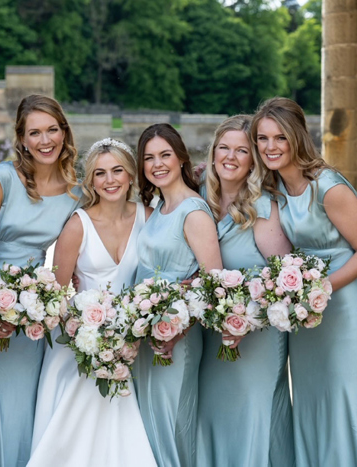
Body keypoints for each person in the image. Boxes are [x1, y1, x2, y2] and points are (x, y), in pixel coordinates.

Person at [251, 97, 357, 466]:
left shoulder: (328, 186)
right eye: (262, 139)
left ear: (297, 138)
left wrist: (320, 290)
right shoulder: (274, 188)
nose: (270, 147)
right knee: (310, 401)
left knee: (344, 400)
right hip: (304, 313)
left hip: (341, 309)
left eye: (279, 138)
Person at [28, 138, 157, 467]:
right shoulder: (77, 225)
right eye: (100, 173)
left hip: (137, 342)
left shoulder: (150, 218)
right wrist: (87, 333)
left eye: (117, 171)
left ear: (131, 175)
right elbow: (55, 295)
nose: (110, 180)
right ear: (91, 180)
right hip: (81, 344)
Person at [0, 95, 81, 467]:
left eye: (52, 129)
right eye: (34, 132)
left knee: (22, 405)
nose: (45, 140)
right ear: (21, 139)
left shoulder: (75, 193)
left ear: (64, 132)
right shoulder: (2, 177)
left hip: (32, 312)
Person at [196, 114, 295, 466]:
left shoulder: (263, 209)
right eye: (223, 148)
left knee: (254, 414)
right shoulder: (199, 204)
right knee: (213, 414)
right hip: (211, 336)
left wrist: (245, 320)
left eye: (241, 150)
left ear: (254, 160)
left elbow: (285, 282)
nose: (230, 157)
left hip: (258, 338)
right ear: (212, 154)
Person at [133, 123, 222, 467]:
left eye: (165, 155)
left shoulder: (193, 210)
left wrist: (176, 329)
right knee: (150, 425)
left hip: (177, 337)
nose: (157, 163)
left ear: (181, 158)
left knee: (173, 425)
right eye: (148, 157)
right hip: (147, 333)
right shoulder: (157, 208)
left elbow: (212, 281)